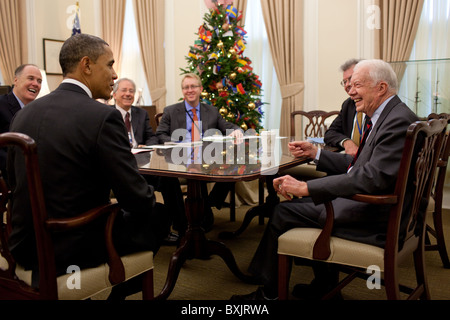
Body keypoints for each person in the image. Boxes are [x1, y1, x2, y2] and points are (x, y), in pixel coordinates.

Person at [231, 59, 419, 300]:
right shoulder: (393, 115)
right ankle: (324, 287)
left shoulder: (396, 121)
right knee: (297, 207)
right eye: (349, 85)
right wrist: (316, 153)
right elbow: (361, 167)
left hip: (379, 217)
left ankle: (269, 295)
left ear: (381, 87)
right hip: (382, 208)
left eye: (357, 85)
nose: (350, 91)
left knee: (283, 212)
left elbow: (369, 178)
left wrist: (305, 187)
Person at [7, 34, 170, 299]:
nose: (115, 74)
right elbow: (135, 198)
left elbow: (15, 182)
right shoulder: (103, 116)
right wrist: (149, 193)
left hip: (23, 242)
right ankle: (112, 293)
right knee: (159, 214)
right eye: (110, 64)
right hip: (72, 245)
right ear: (87, 65)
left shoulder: (22, 115)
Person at [156, 73, 243, 229]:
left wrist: (236, 130)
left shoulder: (212, 111)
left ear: (200, 89)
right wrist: (178, 144)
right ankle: (185, 218)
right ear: (182, 90)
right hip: (180, 158)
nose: (190, 90)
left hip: (207, 156)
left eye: (193, 86)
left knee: (236, 163)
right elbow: (160, 134)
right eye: (186, 87)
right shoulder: (170, 111)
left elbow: (227, 126)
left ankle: (209, 203)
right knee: (170, 179)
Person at [112, 77, 186, 244]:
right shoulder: (107, 114)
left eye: (131, 91)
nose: (128, 94)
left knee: (169, 178)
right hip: (123, 168)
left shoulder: (141, 113)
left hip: (144, 164)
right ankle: (154, 228)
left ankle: (183, 228)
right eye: (124, 90)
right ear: (115, 94)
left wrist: (147, 146)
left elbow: (152, 137)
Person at [0, 64, 42, 178]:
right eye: (31, 78)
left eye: (39, 81)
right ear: (16, 80)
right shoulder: (1, 105)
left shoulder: (39, 110)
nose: (35, 84)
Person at [324, 59, 365, 157]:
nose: (347, 85)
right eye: (344, 81)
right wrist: (347, 142)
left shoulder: (374, 106)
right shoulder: (348, 104)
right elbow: (330, 133)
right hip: (349, 161)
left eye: (350, 79)